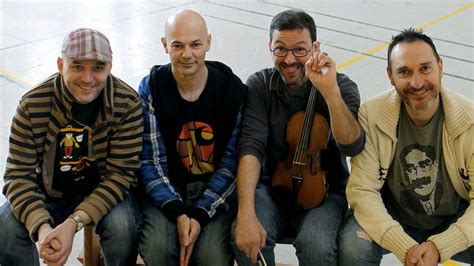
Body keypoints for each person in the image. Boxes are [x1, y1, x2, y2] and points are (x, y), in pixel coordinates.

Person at [0, 28, 143, 265]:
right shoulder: (32, 105)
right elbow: (18, 176)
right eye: (77, 66)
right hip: (51, 191)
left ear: (110, 67)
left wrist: (72, 223)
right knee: (5, 229)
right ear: (60, 64)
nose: (87, 78)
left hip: (104, 190)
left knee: (122, 229)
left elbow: (120, 175)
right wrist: (43, 228)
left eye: (98, 67)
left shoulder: (126, 103)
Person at [232, 9, 365, 265]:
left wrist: (330, 92)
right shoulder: (259, 85)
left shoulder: (342, 86)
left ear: (315, 48)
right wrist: (246, 213)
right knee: (245, 238)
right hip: (271, 189)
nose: (290, 60)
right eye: (281, 49)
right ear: (270, 47)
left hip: (326, 195)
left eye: (300, 50)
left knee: (316, 246)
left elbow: (352, 145)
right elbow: (251, 148)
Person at [339, 28, 474, 265]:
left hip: (454, 218)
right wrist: (403, 245)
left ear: (440, 67)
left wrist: (440, 245)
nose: (416, 82)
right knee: (353, 248)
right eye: (404, 72)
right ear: (390, 76)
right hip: (393, 216)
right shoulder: (371, 115)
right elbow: (363, 191)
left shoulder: (470, 120)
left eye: (425, 68)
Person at [137, 9, 247, 266]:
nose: (187, 54)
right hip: (166, 191)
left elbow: (232, 162)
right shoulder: (151, 88)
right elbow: (150, 161)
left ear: (208, 42)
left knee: (212, 257)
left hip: (214, 193)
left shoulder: (232, 91)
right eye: (178, 45)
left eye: (195, 44)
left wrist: (199, 214)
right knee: (157, 250)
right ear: (165, 46)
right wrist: (177, 212)